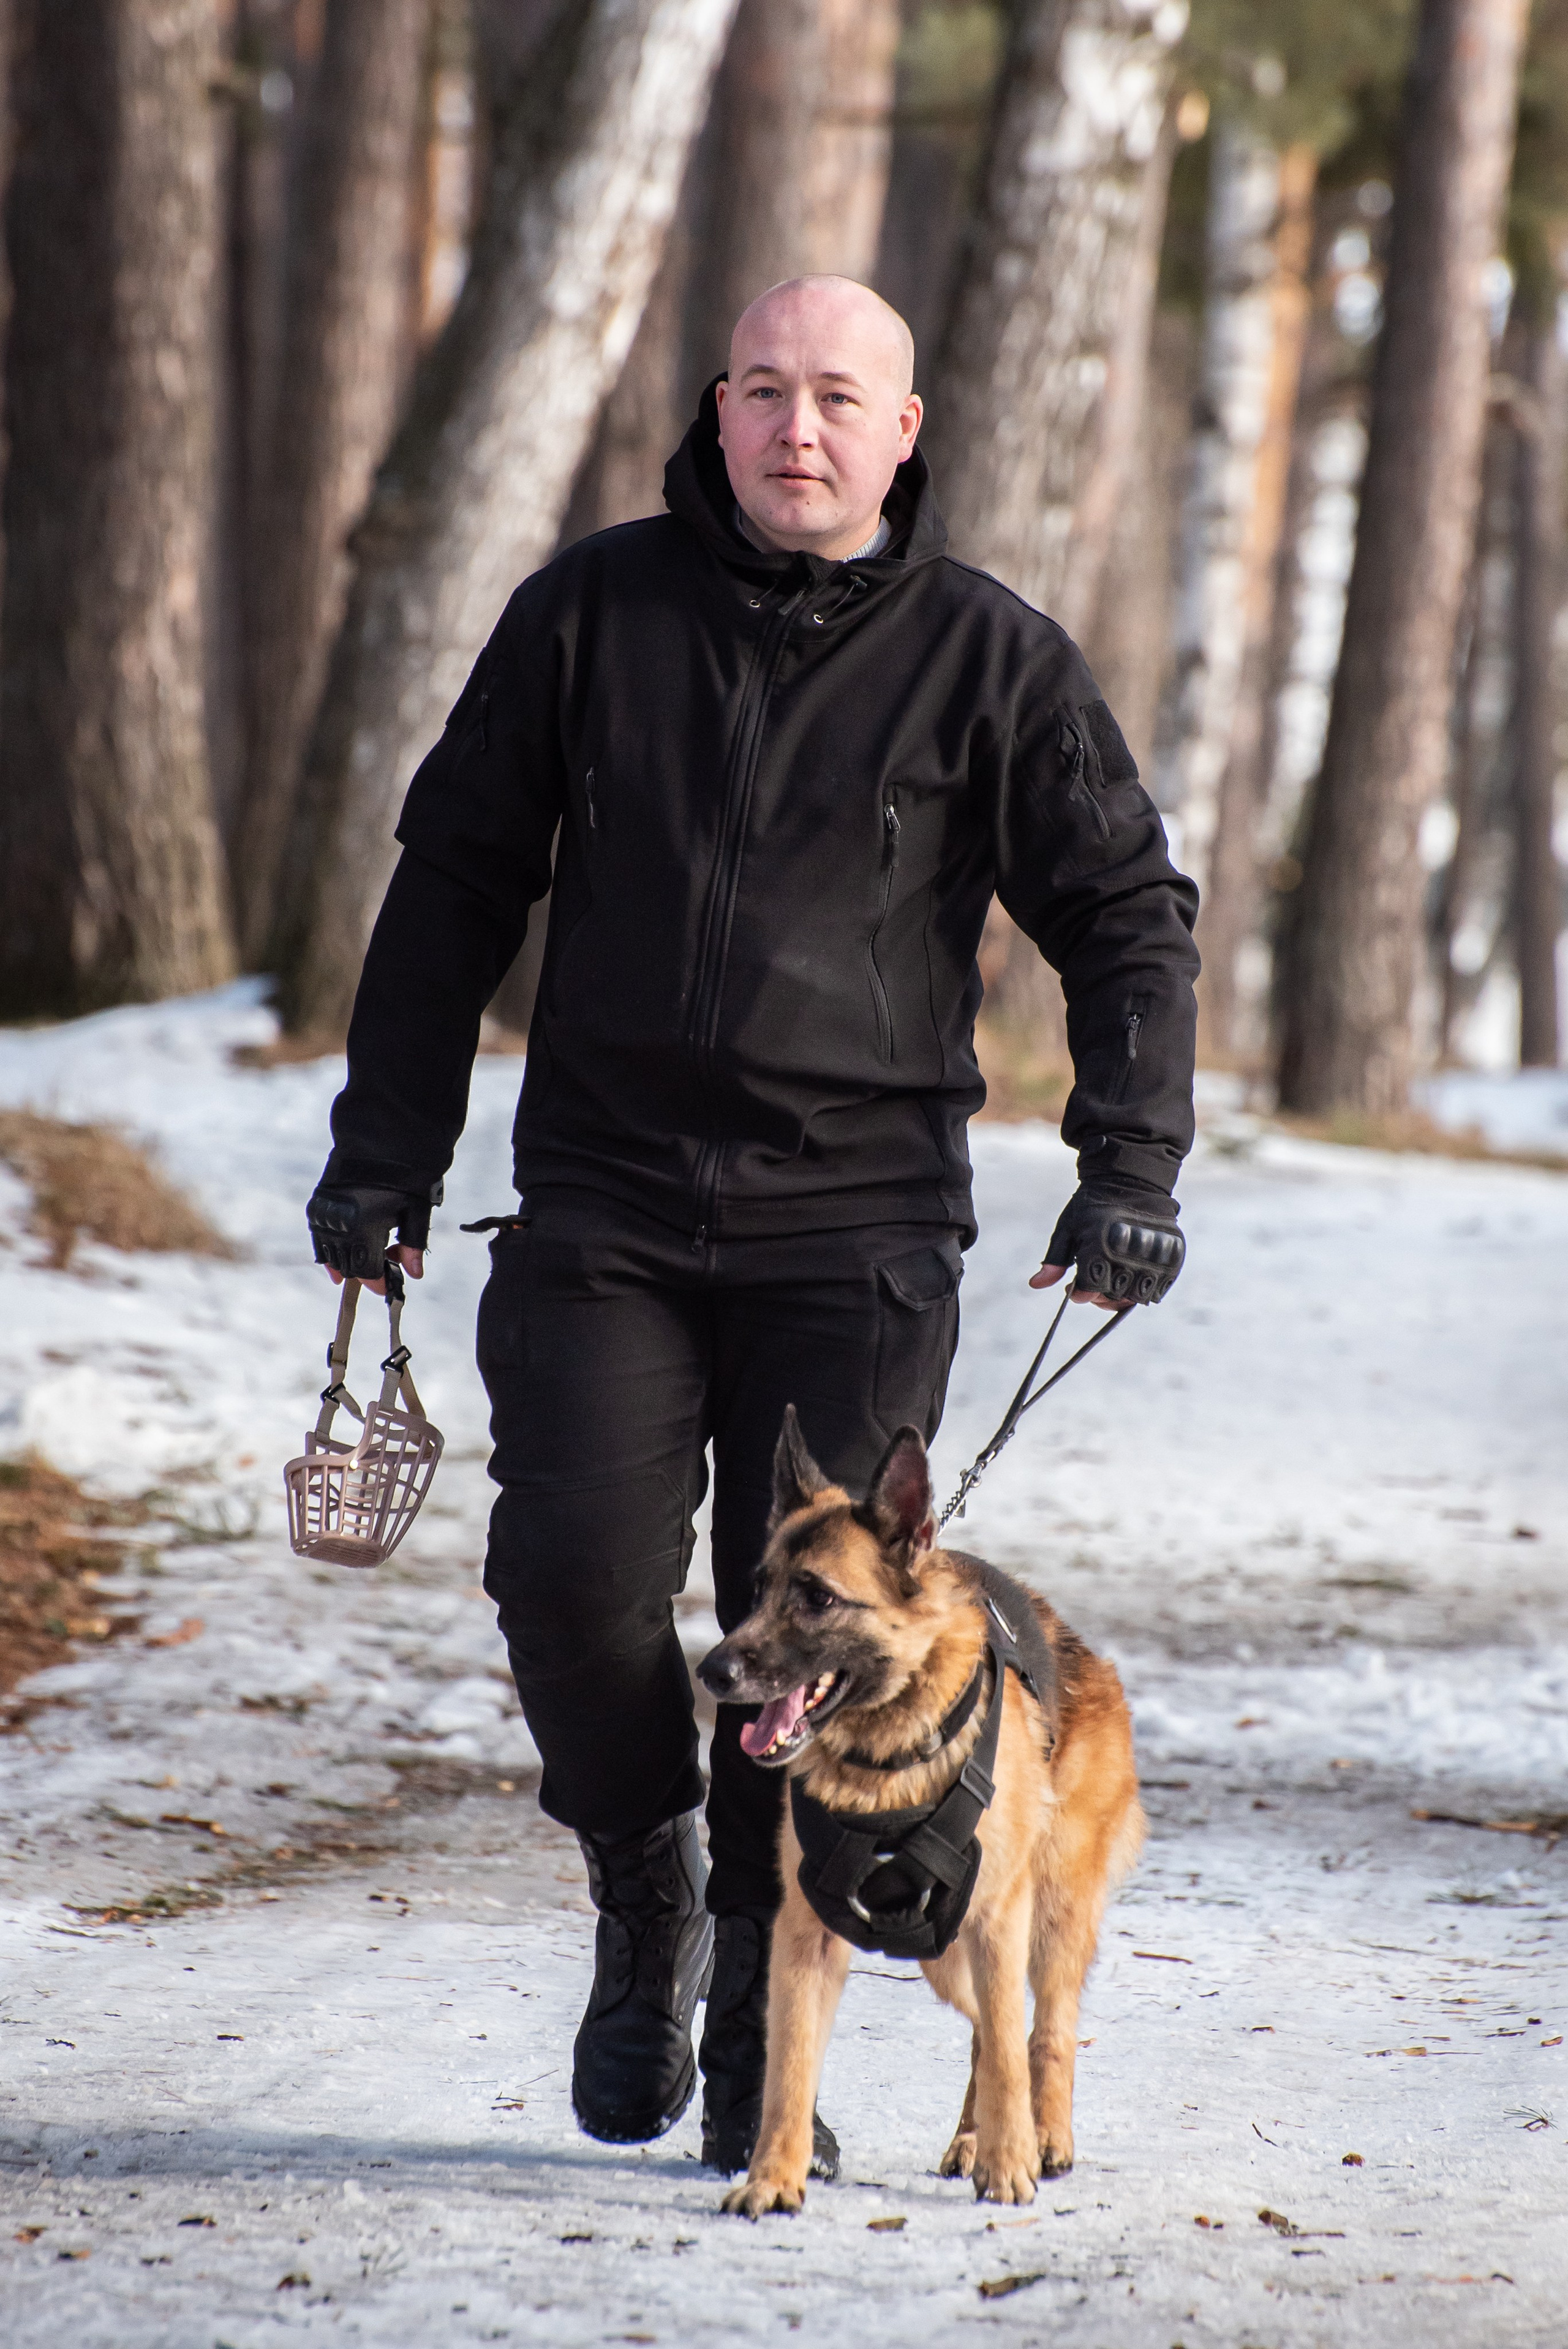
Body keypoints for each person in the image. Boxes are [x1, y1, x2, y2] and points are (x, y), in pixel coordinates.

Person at [306, 275, 1198, 2177]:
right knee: (570, 1575)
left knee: (803, 1623)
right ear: (717, 411)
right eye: (768, 393)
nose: (801, 430)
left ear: (906, 424)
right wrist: (386, 1151)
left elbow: (1127, 908)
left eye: (839, 398)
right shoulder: (587, 616)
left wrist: (1130, 1162)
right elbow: (453, 881)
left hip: (859, 1218)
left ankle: (750, 1974)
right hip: (607, 1201)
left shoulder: (992, 659)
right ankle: (647, 1874)